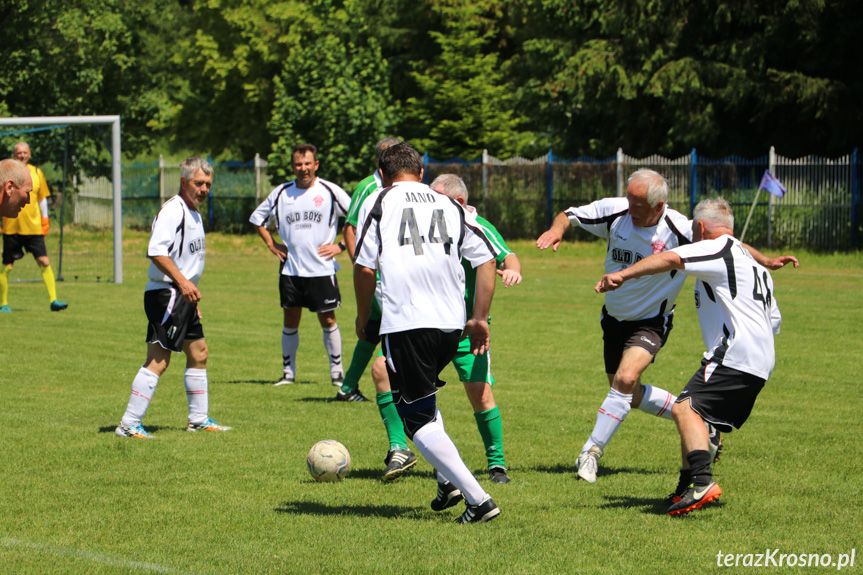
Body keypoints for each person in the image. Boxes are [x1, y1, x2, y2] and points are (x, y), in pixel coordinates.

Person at [537, 168, 796, 483]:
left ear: (659, 207)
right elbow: (570, 214)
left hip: (652, 321)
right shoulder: (616, 210)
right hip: (613, 319)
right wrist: (557, 229)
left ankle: (590, 453)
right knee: (626, 394)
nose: (629, 208)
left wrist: (764, 260)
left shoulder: (680, 227)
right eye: (629, 199)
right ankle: (696, 418)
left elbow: (726, 243)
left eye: (638, 205)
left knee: (626, 377)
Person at [596, 197, 782, 515]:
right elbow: (773, 320)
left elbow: (669, 258)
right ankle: (685, 488)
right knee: (694, 412)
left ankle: (702, 481)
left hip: (734, 352)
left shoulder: (717, 247)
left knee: (684, 409)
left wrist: (623, 275)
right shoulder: (754, 266)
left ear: (699, 227)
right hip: (760, 359)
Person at [354, 142, 501, 523]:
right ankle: (446, 481)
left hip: (407, 323)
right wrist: (480, 317)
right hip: (452, 324)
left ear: (383, 175)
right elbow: (486, 258)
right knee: (423, 403)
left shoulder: (381, 202)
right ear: (420, 172)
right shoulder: (451, 205)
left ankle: (478, 499)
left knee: (415, 419)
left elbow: (364, 267)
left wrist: (362, 314)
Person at [116, 157, 231, 438]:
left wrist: (191, 298)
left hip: (183, 296)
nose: (203, 189)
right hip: (167, 293)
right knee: (159, 359)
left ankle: (198, 419)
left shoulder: (194, 213)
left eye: (207, 185)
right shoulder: (174, 210)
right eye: (198, 183)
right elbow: (156, 251)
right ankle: (129, 424)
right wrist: (183, 284)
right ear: (183, 182)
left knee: (199, 353)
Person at [430, 173, 522, 483]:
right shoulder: (429, 225)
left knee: (481, 394)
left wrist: (511, 270)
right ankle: (404, 450)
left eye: (435, 197)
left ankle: (497, 465)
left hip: (469, 329)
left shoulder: (477, 226)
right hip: (429, 324)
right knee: (390, 377)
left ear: (458, 202)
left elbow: (507, 255)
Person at [249, 143, 351, 386]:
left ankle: (337, 372)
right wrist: (272, 245)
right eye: (298, 164)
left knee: (328, 320)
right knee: (290, 319)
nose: (303, 168)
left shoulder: (329, 190)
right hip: (291, 269)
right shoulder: (281, 193)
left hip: (322, 268)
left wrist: (341, 246)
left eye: (307, 164)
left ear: (316, 164)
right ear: (293, 166)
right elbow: (257, 219)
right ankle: (288, 373)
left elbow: (356, 216)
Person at [338, 136, 401, 402]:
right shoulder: (368, 186)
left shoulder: (402, 185)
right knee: (398, 328)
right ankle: (398, 388)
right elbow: (350, 226)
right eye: (387, 155)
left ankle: (347, 388)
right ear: (378, 159)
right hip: (376, 274)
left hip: (393, 273)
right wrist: (359, 263)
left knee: (371, 331)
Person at [0, 142, 67, 313]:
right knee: (7, 265)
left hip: (33, 227)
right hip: (12, 228)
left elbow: (42, 199)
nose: (28, 200)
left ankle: (54, 299)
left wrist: (45, 220)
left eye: (25, 152)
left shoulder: (36, 173)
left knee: (44, 261)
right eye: (19, 152)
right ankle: (3, 303)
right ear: (9, 187)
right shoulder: (9, 172)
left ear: (29, 154)